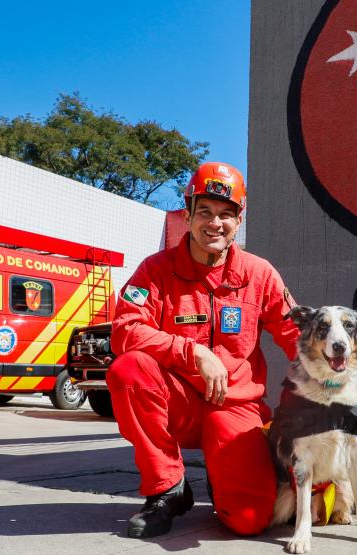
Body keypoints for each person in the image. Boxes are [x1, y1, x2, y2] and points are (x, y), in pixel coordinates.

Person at [107, 161, 300, 538]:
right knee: (128, 370)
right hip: (177, 400)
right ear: (189, 212)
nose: (215, 223)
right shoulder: (155, 270)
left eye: (226, 215)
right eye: (206, 212)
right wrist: (192, 352)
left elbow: (297, 335)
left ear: (239, 221)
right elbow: (125, 330)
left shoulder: (259, 274)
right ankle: (167, 489)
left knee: (248, 520)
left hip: (235, 406)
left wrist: (335, 382)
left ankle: (225, 475)